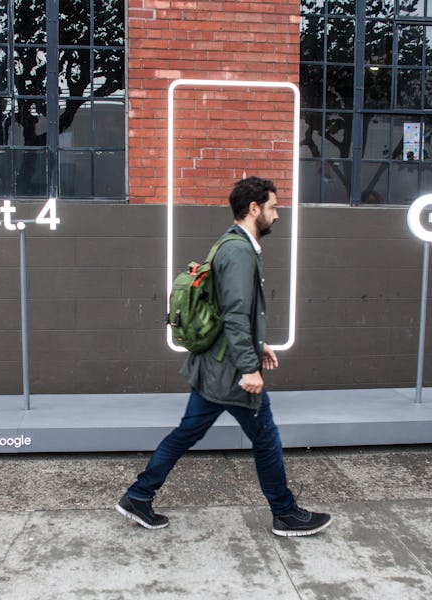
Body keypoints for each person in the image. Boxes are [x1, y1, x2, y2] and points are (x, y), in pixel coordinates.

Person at [116, 176, 332, 537]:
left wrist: (257, 343)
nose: (277, 216)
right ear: (254, 209)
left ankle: (138, 496)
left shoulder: (233, 245)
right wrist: (249, 367)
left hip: (215, 368)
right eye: (273, 207)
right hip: (230, 372)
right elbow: (233, 313)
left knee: (187, 433)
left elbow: (230, 311)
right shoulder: (239, 251)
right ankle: (285, 513)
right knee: (266, 438)